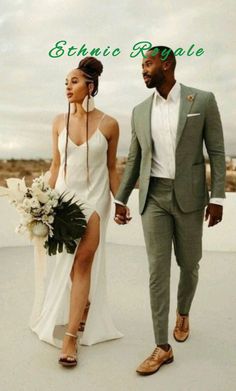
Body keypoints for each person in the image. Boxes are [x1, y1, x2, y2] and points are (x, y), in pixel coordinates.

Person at [114, 46, 226, 375]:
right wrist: (121, 199)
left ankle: (184, 311)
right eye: (141, 65)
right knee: (157, 271)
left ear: (167, 63)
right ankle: (161, 347)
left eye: (148, 64)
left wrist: (217, 198)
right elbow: (135, 160)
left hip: (191, 197)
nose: (143, 70)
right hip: (153, 198)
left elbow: (217, 153)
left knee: (189, 264)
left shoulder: (202, 100)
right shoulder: (138, 111)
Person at [30, 56, 123, 367]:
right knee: (69, 264)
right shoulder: (58, 121)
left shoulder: (110, 124)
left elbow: (112, 168)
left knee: (83, 261)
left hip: (96, 199)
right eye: (66, 83)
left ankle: (70, 338)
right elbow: (56, 165)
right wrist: (43, 203)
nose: (68, 87)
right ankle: (81, 307)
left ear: (90, 86)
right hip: (64, 199)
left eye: (74, 81)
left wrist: (120, 201)